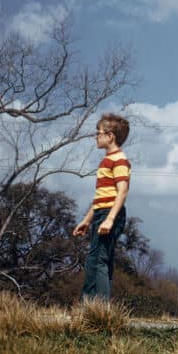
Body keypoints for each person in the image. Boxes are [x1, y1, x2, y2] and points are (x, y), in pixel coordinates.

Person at [73, 113, 131, 301]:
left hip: (110, 215)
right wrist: (86, 220)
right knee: (95, 261)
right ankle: (90, 307)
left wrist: (110, 219)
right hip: (101, 213)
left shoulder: (119, 160)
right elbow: (101, 198)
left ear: (110, 136)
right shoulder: (106, 161)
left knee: (98, 261)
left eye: (99, 133)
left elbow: (122, 192)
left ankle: (97, 310)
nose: (96, 136)